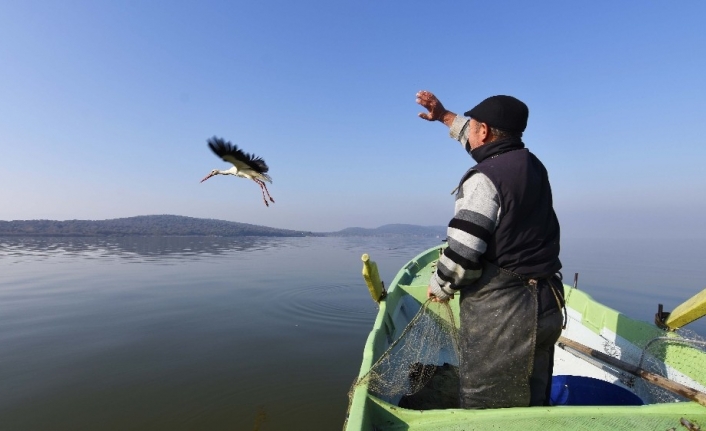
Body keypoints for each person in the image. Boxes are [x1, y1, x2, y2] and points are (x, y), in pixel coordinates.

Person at [416, 90, 564, 409]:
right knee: (532, 397)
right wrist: (444, 116)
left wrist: (440, 286)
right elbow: (480, 145)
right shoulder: (533, 165)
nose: (468, 130)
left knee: (487, 402)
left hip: (506, 315)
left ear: (484, 130)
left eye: (472, 125)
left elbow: (463, 252)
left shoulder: (484, 179)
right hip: (548, 305)